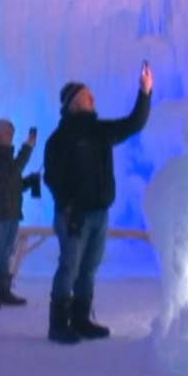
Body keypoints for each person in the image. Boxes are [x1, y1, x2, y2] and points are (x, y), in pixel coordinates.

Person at [43, 62, 153, 343]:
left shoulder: (99, 131)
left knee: (89, 267)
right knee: (69, 266)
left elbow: (133, 124)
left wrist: (144, 93)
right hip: (73, 215)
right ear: (73, 103)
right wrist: (68, 207)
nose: (92, 98)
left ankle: (80, 319)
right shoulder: (60, 139)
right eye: (86, 95)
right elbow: (53, 177)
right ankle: (58, 324)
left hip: (99, 212)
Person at [0, 118, 39, 309]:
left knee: (6, 252)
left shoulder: (5, 158)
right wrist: (27, 148)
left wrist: (29, 181)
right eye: (8, 133)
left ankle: (3, 290)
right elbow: (10, 173)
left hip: (12, 211)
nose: (11, 137)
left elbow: (12, 184)